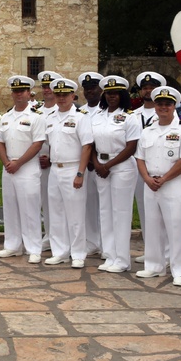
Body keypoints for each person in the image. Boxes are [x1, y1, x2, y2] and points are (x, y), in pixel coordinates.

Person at [134, 86, 181, 286]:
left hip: (173, 185)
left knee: (176, 228)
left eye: (167, 104)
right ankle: (154, 266)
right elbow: (140, 158)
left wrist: (165, 178)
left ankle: (179, 270)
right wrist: (146, 178)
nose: (163, 107)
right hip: (150, 184)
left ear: (174, 106)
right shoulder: (147, 132)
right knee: (152, 227)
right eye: (159, 104)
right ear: (155, 107)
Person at [89, 76, 141, 273]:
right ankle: (110, 255)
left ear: (123, 95)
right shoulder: (98, 116)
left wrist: (108, 165)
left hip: (122, 167)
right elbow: (91, 143)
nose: (112, 97)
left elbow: (132, 146)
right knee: (106, 212)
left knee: (121, 213)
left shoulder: (129, 117)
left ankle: (122, 259)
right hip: (101, 166)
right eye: (109, 93)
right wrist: (96, 163)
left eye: (116, 93)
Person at [0, 76, 47, 263]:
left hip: (27, 167)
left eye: (22, 91)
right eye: (15, 91)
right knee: (10, 207)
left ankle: (34, 248)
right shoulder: (6, 117)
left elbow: (37, 143)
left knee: (29, 208)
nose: (18, 94)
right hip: (9, 167)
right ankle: (13, 245)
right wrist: (7, 162)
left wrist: (19, 162)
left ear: (29, 93)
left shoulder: (36, 117)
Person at [43, 78, 94, 268]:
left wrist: (80, 173)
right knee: (56, 212)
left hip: (74, 168)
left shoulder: (81, 117)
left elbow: (87, 146)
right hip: (55, 168)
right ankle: (60, 251)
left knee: (75, 214)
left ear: (73, 95)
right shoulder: (50, 117)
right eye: (58, 95)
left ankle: (78, 253)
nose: (62, 98)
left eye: (65, 95)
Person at [131, 71, 165, 263]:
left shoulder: (165, 111)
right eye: (145, 88)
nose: (148, 91)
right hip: (138, 166)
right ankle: (151, 248)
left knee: (163, 211)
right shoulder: (133, 114)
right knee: (145, 209)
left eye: (152, 88)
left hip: (159, 166)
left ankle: (166, 251)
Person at [36, 70, 63, 251]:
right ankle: (48, 235)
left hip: (54, 162)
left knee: (57, 202)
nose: (47, 90)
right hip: (35, 161)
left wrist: (51, 159)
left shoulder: (61, 110)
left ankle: (57, 236)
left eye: (50, 87)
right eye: (44, 86)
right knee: (42, 200)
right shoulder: (36, 111)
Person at [79, 71, 104, 259]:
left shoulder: (106, 112)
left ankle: (106, 243)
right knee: (89, 205)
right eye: (86, 89)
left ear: (100, 89)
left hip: (103, 165)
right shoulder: (80, 113)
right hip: (85, 165)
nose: (90, 92)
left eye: (93, 88)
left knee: (106, 206)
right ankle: (92, 241)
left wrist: (94, 160)